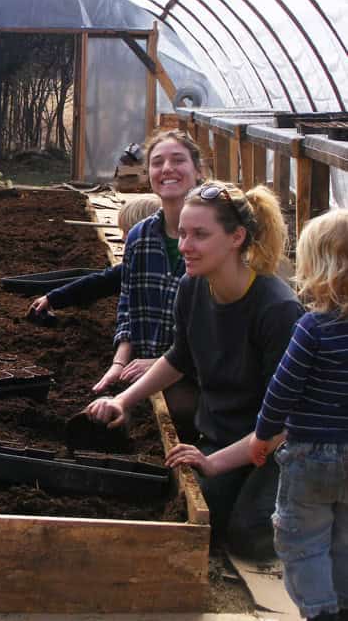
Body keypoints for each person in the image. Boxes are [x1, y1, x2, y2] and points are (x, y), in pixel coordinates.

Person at [86, 180, 305, 559]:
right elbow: (179, 358)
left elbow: (285, 424)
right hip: (223, 434)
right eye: (183, 233)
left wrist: (213, 462)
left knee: (248, 538)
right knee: (201, 512)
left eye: (200, 235)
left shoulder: (277, 309)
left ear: (237, 237)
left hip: (275, 446)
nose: (185, 246)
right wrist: (123, 400)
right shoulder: (192, 286)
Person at [249, 209, 348, 621]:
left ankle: (320, 620)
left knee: (302, 536)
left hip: (311, 454)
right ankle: (343, 604)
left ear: (316, 266)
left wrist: (263, 436)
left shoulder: (312, 328)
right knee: (343, 533)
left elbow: (282, 389)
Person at [28, 194, 160, 317]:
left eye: (127, 232)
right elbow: (99, 283)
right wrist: (52, 298)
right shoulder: (135, 265)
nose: (123, 238)